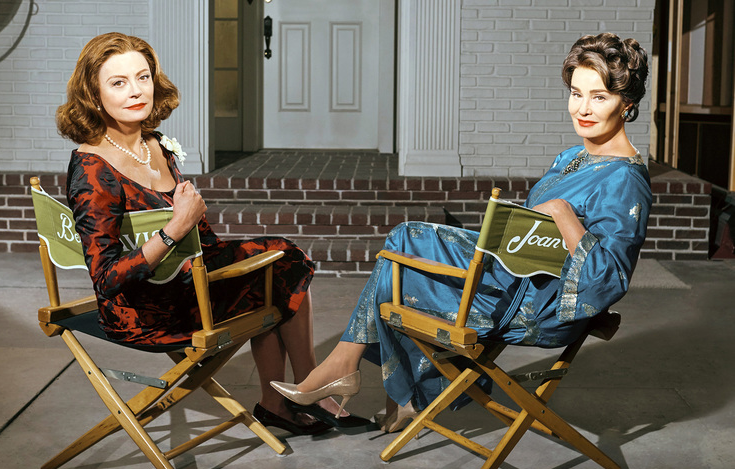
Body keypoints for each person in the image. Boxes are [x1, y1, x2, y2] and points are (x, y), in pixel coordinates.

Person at [272, 32, 653, 432]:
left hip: (537, 307)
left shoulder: (627, 180)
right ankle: (389, 389)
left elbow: (606, 279)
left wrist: (561, 213)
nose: (583, 108)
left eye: (599, 97)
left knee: (404, 250)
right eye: (576, 93)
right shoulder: (572, 157)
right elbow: (531, 238)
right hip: (512, 277)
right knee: (401, 257)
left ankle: (361, 375)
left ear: (627, 104)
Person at [56, 32, 345, 436]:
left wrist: (196, 225)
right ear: (93, 93)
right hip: (142, 309)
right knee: (277, 273)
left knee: (282, 260)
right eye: (118, 82)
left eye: (143, 77)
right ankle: (293, 395)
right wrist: (175, 227)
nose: (136, 91)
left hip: (183, 281)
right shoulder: (91, 170)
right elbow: (106, 279)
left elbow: (201, 243)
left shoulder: (154, 144)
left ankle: (288, 396)